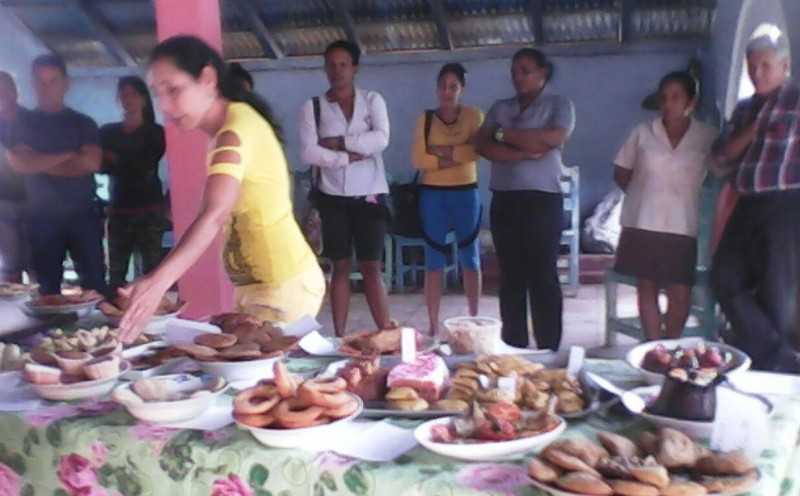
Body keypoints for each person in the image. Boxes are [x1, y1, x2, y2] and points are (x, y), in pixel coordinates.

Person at [118, 36, 324, 341]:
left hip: (283, 287)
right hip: (260, 287)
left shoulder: (235, 131)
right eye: (157, 94)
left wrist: (157, 283)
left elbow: (213, 215)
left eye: (174, 90)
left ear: (208, 79)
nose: (164, 106)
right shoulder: (228, 129)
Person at [711, 34, 800, 372]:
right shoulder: (746, 108)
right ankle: (777, 358)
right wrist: (751, 132)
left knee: (778, 290)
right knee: (724, 277)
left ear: (785, 66)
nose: (758, 73)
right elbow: (718, 159)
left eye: (766, 66)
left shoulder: (796, 100)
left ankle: (770, 368)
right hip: (747, 204)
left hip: (787, 204)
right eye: (752, 67)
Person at [475, 48, 575, 351]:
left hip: (543, 201)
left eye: (525, 70)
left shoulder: (559, 104)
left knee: (543, 274)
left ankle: (548, 347)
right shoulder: (500, 107)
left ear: (543, 73)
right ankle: (514, 345)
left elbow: (555, 138)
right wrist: (524, 148)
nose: (518, 76)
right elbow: (482, 144)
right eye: (515, 71)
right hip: (505, 201)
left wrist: (504, 136)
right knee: (511, 276)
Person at [299, 40, 393, 337]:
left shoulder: (373, 100)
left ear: (354, 68)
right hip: (332, 198)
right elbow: (309, 152)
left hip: (370, 195)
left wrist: (339, 143)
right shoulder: (313, 107)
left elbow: (381, 139)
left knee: (371, 267)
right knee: (339, 267)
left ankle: (386, 333)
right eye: (331, 65)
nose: (337, 71)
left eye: (343, 65)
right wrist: (347, 158)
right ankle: (339, 336)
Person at [613, 71, 717, 340]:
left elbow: (719, 169)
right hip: (642, 221)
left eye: (675, 97)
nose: (668, 103)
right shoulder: (643, 132)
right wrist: (645, 195)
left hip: (682, 224)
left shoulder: (707, 136)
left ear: (690, 102)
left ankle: (670, 350)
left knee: (680, 291)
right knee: (646, 287)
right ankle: (651, 347)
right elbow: (621, 172)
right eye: (664, 98)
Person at [6, 55, 105, 295]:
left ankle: (99, 333)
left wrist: (39, 160)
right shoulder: (23, 123)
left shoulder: (83, 123)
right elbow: (20, 164)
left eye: (53, 81)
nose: (46, 88)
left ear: (66, 83)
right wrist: (70, 155)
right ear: (32, 84)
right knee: (47, 291)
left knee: (96, 287)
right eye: (41, 82)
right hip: (42, 218)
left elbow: (91, 163)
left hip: (83, 216)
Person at [411, 63, 484, 336]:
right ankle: (432, 325)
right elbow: (419, 160)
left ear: (461, 89)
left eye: (453, 86)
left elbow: (477, 151)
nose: (447, 91)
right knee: (434, 261)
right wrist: (457, 154)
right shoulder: (425, 119)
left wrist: (441, 152)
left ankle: (475, 320)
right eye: (443, 85)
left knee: (470, 257)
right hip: (433, 195)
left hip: (466, 192)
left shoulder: (474, 116)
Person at [100, 76, 166, 291]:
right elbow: (100, 165)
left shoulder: (155, 132)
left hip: (149, 209)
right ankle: (117, 315)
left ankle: (154, 314)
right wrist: (121, 161)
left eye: (133, 94)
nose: (128, 99)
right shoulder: (108, 131)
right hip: (119, 208)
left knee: (152, 270)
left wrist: (116, 158)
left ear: (144, 99)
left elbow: (144, 164)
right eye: (124, 94)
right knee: (116, 273)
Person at [0, 71, 29, 283]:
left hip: (34, 202)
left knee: (39, 264)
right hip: (2, 203)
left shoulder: (33, 120)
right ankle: (15, 315)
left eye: (6, 88)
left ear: (16, 92)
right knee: (11, 267)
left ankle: (44, 313)